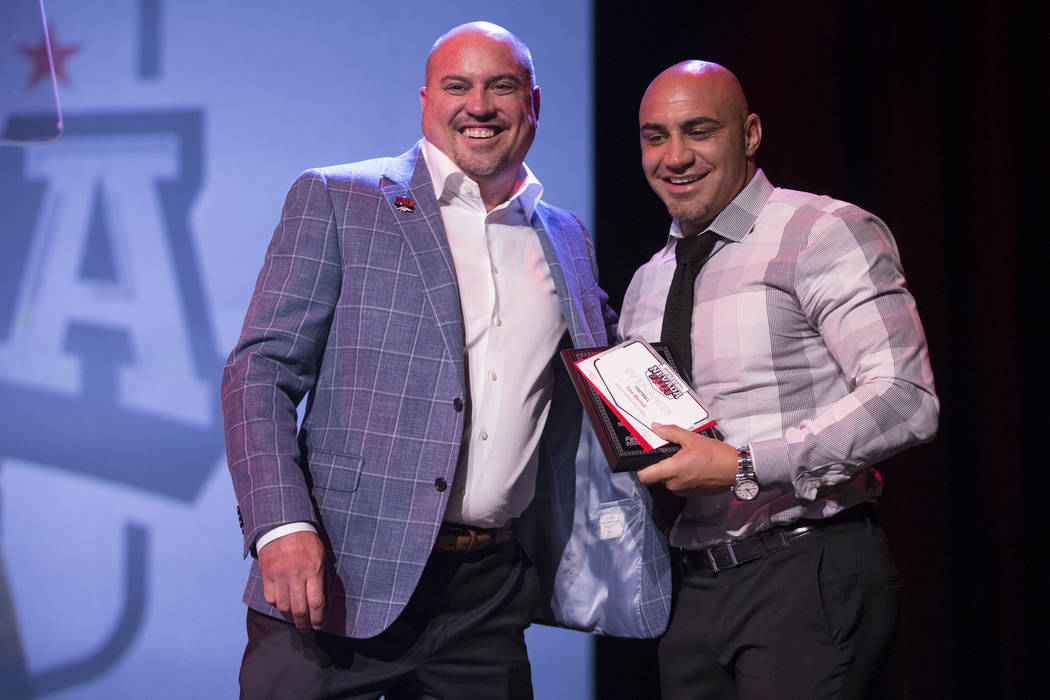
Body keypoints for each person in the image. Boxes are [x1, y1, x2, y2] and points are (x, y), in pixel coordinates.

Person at [221, 22, 670, 700]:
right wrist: (280, 526)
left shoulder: (564, 235)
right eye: (458, 86)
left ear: (534, 104)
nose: (479, 105)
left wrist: (733, 449)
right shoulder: (340, 198)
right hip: (335, 580)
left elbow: (611, 367)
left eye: (502, 86)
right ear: (426, 99)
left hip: (485, 599)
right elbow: (259, 374)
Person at [620, 60, 939, 699]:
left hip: (805, 564)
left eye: (699, 131)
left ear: (750, 134)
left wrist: (744, 465)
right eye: (656, 137)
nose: (675, 156)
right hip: (695, 585)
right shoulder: (648, 280)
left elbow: (906, 399)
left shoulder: (821, 231)